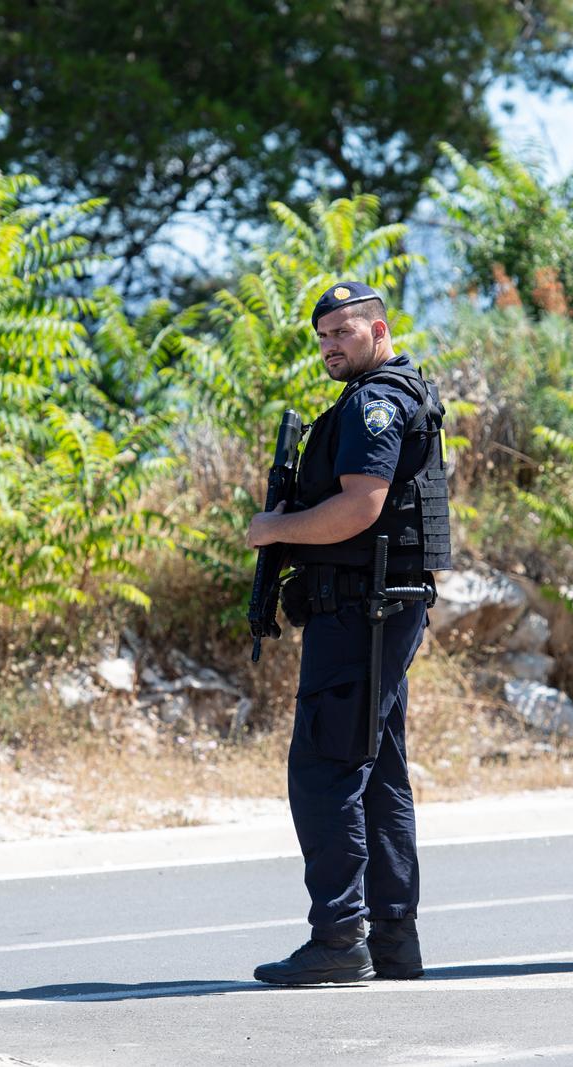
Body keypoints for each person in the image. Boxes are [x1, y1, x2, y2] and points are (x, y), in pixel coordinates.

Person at [245, 281, 452, 985]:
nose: (332, 346)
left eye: (344, 332)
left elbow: (360, 507)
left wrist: (274, 529)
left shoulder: (374, 403)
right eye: (324, 336)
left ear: (379, 329)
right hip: (376, 608)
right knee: (379, 774)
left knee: (327, 770)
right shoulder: (393, 393)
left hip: (362, 611)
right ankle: (392, 942)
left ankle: (339, 936)